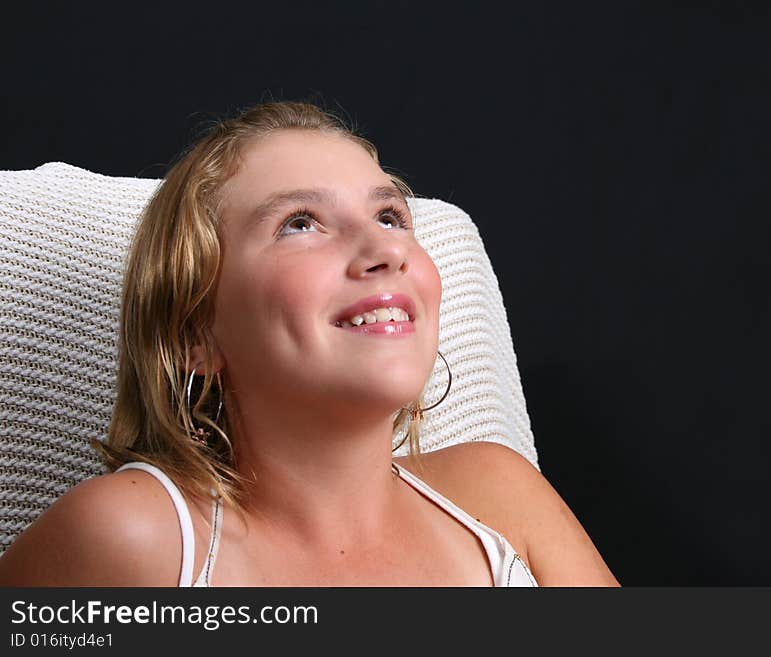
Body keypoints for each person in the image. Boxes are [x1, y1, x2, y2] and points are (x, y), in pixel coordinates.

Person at [0, 101, 619, 587]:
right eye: (300, 223)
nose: (385, 251)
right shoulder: (132, 538)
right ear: (195, 333)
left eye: (389, 217)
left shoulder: (499, 495)